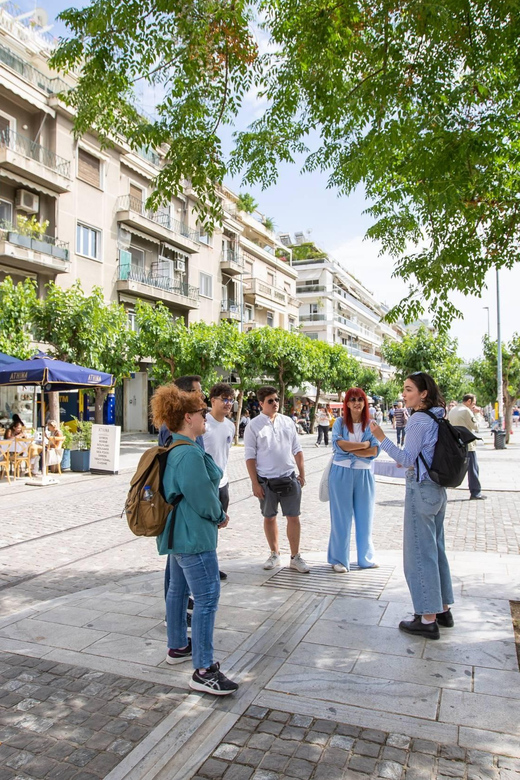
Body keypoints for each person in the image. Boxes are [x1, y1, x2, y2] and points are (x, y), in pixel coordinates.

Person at [151, 383, 238, 695]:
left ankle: (177, 646)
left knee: (177, 589)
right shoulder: (188, 453)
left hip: (177, 532)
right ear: (188, 417)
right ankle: (203, 668)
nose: (206, 418)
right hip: (193, 535)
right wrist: (220, 516)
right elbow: (203, 497)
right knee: (207, 597)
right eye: (202, 413)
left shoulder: (175, 446)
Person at [369, 372, 454, 640]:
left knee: (419, 554)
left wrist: (381, 436)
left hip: (421, 490)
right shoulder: (439, 414)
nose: (404, 395)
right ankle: (442, 609)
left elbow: (407, 458)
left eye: (408, 390)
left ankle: (427, 618)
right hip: (437, 491)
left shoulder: (418, 419)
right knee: (436, 550)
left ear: (423, 393)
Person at [244, 386, 309, 572]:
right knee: (269, 517)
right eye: (270, 401)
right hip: (266, 481)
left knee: (293, 517)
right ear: (261, 403)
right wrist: (255, 483)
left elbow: (297, 449)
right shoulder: (253, 426)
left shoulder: (288, 422)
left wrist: (302, 473)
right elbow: (250, 457)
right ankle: (274, 553)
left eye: (276, 400)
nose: (275, 403)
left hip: (288, 478)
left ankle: (295, 556)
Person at [327, 388, 380, 573]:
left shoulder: (371, 424)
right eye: (353, 399)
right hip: (340, 473)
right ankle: (339, 559)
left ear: (365, 403)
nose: (357, 402)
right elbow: (337, 445)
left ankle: (365, 558)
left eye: (360, 399)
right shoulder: (339, 423)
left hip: (364, 474)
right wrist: (363, 445)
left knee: (365, 516)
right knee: (341, 518)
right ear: (347, 403)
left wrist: (352, 448)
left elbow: (374, 451)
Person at [203, 383, 236, 521]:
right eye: (224, 399)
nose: (228, 403)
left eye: (231, 400)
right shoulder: (203, 424)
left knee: (218, 524)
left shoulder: (230, 426)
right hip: (205, 484)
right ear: (213, 401)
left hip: (223, 485)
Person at [448, 394, 486, 500]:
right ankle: (475, 492)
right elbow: (476, 426)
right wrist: (477, 414)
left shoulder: (453, 410)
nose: (474, 405)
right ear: (468, 401)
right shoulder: (466, 411)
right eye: (473, 403)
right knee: (473, 469)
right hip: (468, 444)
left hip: (456, 444)